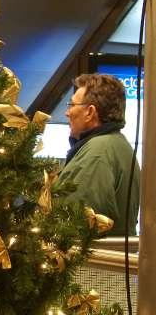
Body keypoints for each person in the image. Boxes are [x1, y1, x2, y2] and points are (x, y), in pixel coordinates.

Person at [57, 73, 140, 236]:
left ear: (90, 112)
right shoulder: (117, 145)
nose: (67, 113)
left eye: (71, 104)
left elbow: (77, 226)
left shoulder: (97, 153)